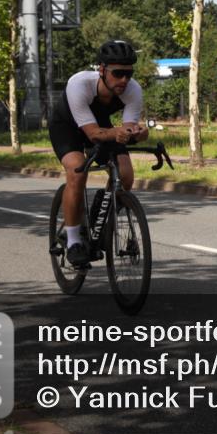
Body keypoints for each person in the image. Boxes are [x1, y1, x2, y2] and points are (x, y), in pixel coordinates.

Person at [48, 40, 148, 266]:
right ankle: (73, 240)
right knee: (77, 171)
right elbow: (93, 134)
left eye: (128, 74)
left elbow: (128, 126)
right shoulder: (79, 84)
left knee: (125, 174)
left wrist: (138, 133)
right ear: (102, 70)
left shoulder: (133, 90)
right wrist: (117, 132)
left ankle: (99, 220)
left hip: (99, 125)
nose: (124, 80)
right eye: (118, 73)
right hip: (67, 126)